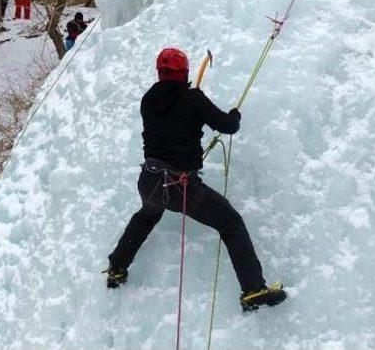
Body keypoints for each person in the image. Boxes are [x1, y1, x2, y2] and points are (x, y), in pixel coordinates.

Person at [106, 47, 286, 311]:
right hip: (181, 186)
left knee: (147, 215)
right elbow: (228, 126)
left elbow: (171, 127)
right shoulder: (193, 99)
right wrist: (234, 115)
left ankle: (117, 268)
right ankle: (253, 289)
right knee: (231, 223)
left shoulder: (148, 99)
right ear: (185, 72)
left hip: (150, 180)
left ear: (160, 72)